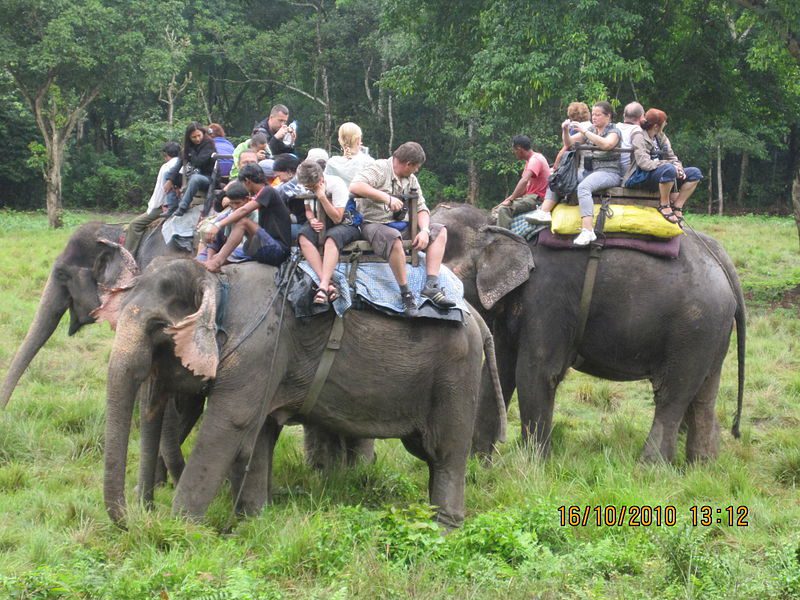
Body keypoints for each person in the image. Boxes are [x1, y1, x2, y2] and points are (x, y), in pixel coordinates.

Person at [350, 141, 455, 313]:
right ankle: (406, 293)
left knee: (440, 231)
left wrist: (425, 231)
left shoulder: (411, 179)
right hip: (375, 224)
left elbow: (421, 208)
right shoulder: (378, 168)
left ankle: (431, 285)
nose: (417, 171)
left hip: (404, 225)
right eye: (416, 167)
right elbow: (355, 186)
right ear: (408, 164)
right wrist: (386, 198)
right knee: (393, 238)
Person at [527, 101, 622, 246]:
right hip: (590, 171)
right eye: (593, 114)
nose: (594, 117)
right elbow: (569, 143)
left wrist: (585, 132)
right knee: (559, 178)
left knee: (583, 187)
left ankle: (588, 230)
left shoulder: (613, 131)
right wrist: (565, 130)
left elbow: (607, 144)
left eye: (598, 115)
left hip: (608, 171)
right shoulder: (592, 129)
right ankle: (544, 211)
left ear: (608, 116)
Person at [203, 163, 291, 271]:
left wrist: (218, 224)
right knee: (217, 256)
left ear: (247, 181)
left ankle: (217, 262)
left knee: (243, 222)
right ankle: (216, 261)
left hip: (278, 250)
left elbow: (244, 210)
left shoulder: (268, 191)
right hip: (262, 245)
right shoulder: (261, 194)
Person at [296, 160, 361, 304]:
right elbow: (308, 209)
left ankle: (323, 285)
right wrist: (312, 219)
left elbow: (337, 218)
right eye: (307, 187)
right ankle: (327, 284)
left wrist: (322, 197)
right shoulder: (304, 187)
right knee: (303, 236)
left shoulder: (335, 184)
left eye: (312, 186)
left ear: (320, 179)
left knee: (332, 237)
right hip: (320, 220)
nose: (309, 189)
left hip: (345, 223)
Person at [624, 108, 703, 224]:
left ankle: (677, 206)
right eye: (664, 123)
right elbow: (644, 163)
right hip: (640, 176)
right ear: (656, 126)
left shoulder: (661, 136)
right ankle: (664, 204)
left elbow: (672, 156)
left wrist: (678, 167)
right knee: (669, 170)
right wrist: (669, 165)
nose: (665, 125)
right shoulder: (639, 136)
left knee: (695, 173)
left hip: (663, 173)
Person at [124, 141, 181, 254]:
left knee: (134, 225)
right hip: (184, 204)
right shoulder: (185, 165)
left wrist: (152, 209)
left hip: (166, 207)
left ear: (165, 155)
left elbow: (160, 192)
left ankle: (128, 258)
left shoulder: (166, 167)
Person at [495, 135, 551, 229]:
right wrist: (506, 200)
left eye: (514, 150)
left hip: (536, 198)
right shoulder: (530, 161)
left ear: (519, 149)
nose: (514, 153)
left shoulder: (535, 160)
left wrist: (511, 199)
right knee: (497, 208)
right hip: (529, 196)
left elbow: (524, 181)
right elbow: (524, 188)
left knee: (504, 210)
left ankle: (502, 238)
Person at [166, 122, 217, 217]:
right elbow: (179, 163)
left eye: (199, 135)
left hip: (208, 178)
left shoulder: (209, 144)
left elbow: (199, 162)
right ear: (189, 137)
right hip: (193, 176)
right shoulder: (188, 147)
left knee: (195, 178)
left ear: (203, 133)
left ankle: (182, 207)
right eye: (194, 137)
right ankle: (172, 206)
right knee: (168, 175)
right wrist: (170, 180)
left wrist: (190, 152)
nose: (197, 139)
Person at [196, 181, 254, 264]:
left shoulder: (255, 216)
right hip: (224, 249)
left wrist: (220, 256)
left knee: (232, 254)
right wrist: (209, 260)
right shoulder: (227, 216)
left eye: (237, 203)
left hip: (243, 249)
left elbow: (248, 245)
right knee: (199, 260)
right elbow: (215, 242)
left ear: (248, 199)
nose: (234, 207)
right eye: (231, 203)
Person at [325, 122, 374, 186]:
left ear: (340, 141)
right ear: (359, 140)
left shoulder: (332, 163)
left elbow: (326, 185)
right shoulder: (368, 162)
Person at [616, 102, 644, 172]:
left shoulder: (615, 126)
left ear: (624, 115)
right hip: (628, 171)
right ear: (641, 117)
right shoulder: (637, 130)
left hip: (614, 168)